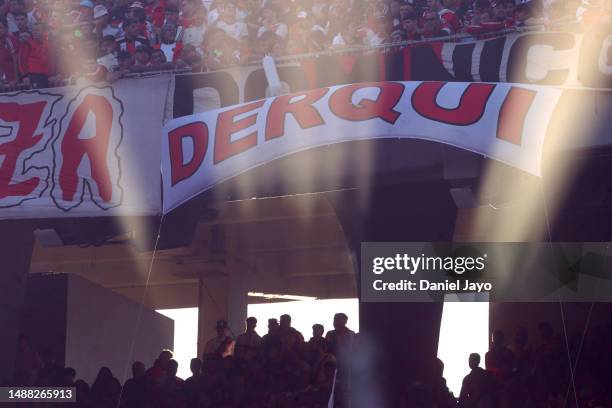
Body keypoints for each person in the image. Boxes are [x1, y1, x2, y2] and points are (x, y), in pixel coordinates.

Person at [0, 17, 20, 87]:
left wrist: (16, 79)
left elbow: (16, 61)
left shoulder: (12, 41)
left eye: (0, 28)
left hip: (13, 81)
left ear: (6, 29)